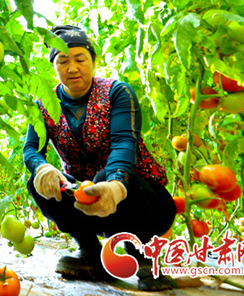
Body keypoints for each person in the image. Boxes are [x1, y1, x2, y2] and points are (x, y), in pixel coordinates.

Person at [23, 25, 176, 291]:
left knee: (106, 176)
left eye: (80, 59)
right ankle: (90, 254)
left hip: (144, 202)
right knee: (37, 183)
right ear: (54, 67)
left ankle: (145, 260)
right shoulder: (44, 105)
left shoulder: (117, 93)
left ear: (94, 61)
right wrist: (42, 167)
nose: (72, 68)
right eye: (62, 61)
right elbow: (31, 149)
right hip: (86, 202)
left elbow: (123, 144)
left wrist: (115, 186)